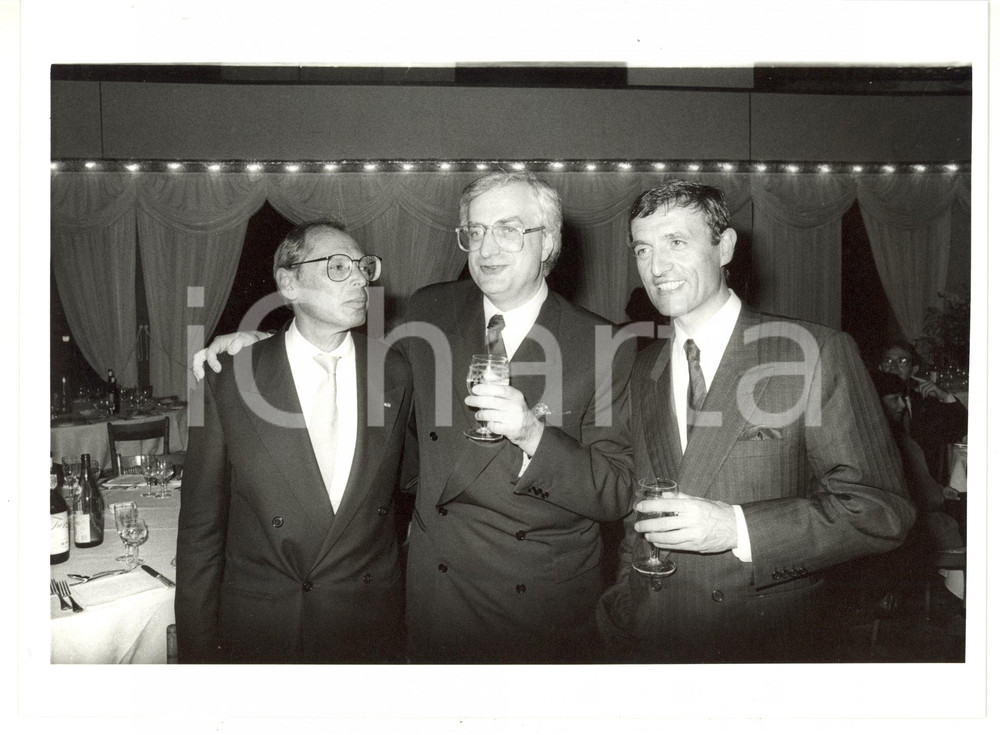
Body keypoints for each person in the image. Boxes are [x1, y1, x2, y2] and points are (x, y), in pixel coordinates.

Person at [192, 172, 635, 664]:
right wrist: (257, 344)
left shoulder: (603, 344)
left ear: (548, 240)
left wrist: (533, 434)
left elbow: (616, 490)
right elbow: (351, 369)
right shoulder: (431, 310)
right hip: (437, 600)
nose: (487, 248)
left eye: (509, 229)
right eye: (476, 230)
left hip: (541, 607)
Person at [597, 180, 915, 663]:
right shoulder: (645, 370)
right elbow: (640, 511)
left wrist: (738, 528)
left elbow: (881, 510)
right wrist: (624, 606)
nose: (657, 267)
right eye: (644, 249)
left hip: (763, 644)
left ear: (724, 247)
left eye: (676, 243)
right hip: (654, 638)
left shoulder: (811, 351)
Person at [176, 220, 413, 663]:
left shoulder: (395, 370)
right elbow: (200, 534)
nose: (362, 277)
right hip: (266, 631)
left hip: (367, 628)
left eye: (364, 266)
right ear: (289, 283)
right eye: (339, 267)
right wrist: (197, 660)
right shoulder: (230, 379)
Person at [878, 340, 967, 485]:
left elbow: (960, 429)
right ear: (880, 368)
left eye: (902, 361)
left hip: (922, 486)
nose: (893, 367)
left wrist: (945, 396)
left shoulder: (925, 401)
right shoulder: (869, 400)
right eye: (888, 361)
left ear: (914, 370)